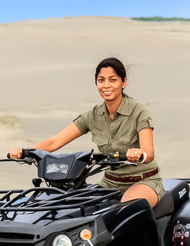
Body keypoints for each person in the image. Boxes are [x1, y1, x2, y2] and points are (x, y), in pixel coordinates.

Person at [9, 57, 163, 208]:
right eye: (101, 80)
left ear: (124, 82)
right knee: (78, 208)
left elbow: (148, 153)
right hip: (110, 182)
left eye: (113, 80)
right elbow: (55, 141)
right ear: (96, 83)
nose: (106, 85)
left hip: (143, 181)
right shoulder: (93, 115)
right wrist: (26, 152)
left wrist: (137, 154)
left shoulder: (138, 111)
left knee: (127, 209)